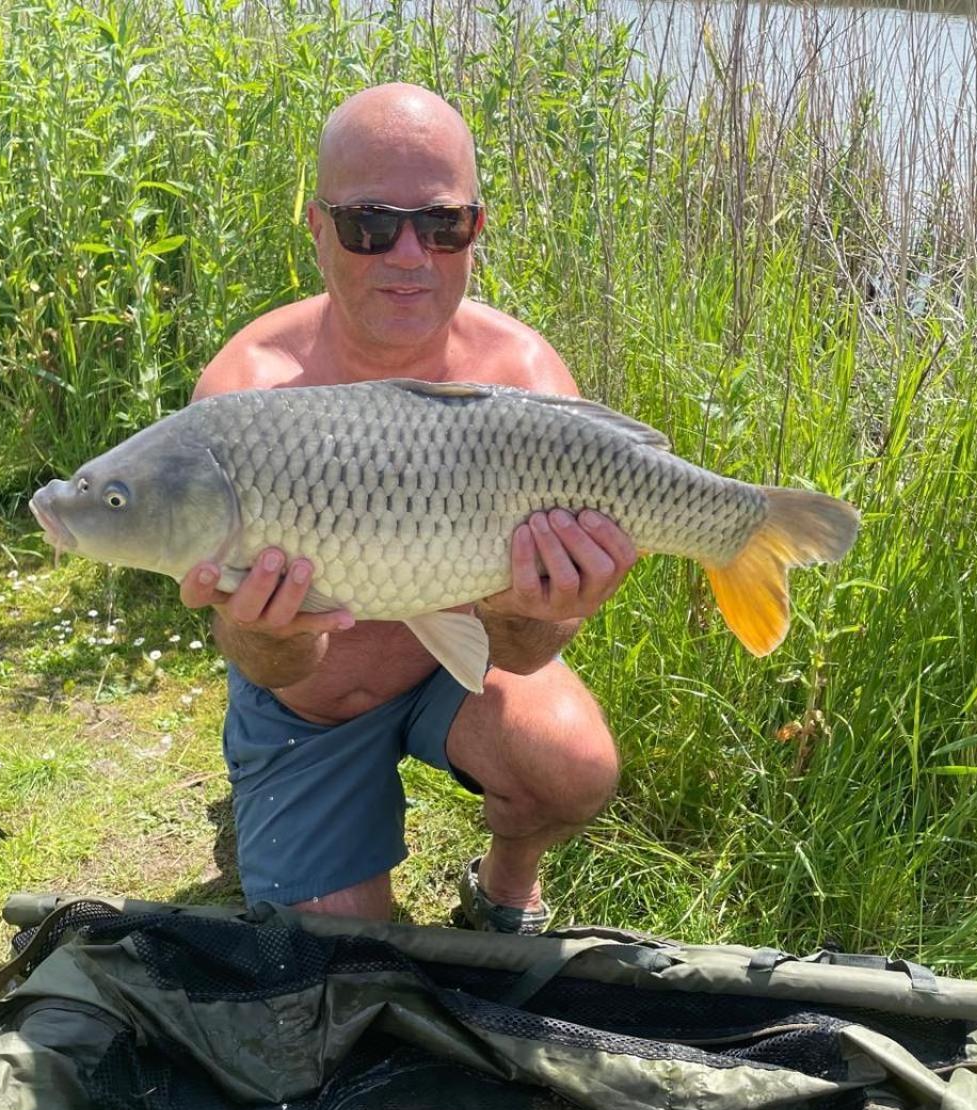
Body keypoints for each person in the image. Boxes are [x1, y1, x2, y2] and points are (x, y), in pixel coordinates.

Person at [178, 82, 637, 932]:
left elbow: (524, 657)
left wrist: (541, 614)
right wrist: (267, 631)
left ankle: (503, 885)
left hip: (454, 667)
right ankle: (287, 806)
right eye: (368, 225)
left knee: (573, 767)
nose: (407, 256)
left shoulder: (526, 383)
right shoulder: (249, 397)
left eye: (440, 224)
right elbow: (263, 663)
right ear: (318, 229)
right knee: (345, 964)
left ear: (476, 230)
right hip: (306, 705)